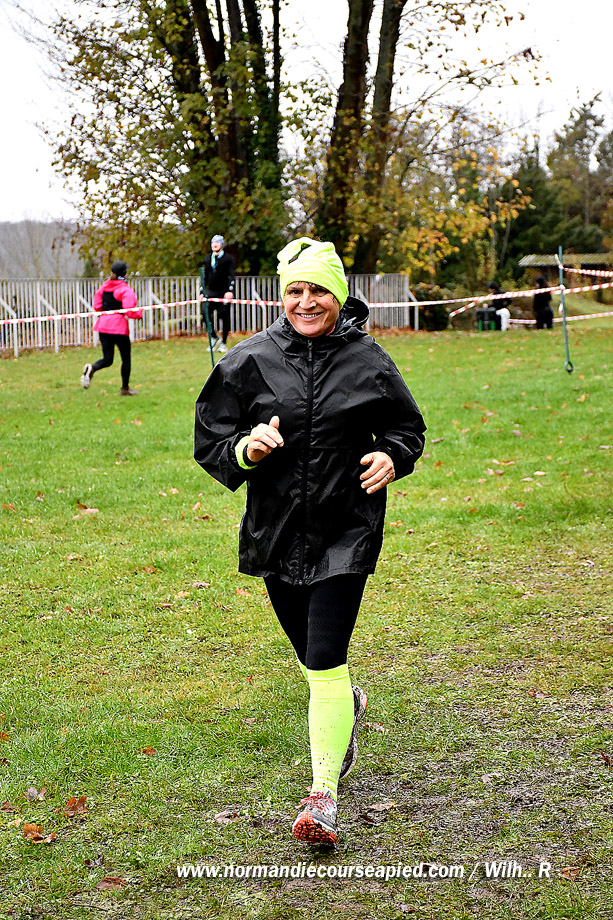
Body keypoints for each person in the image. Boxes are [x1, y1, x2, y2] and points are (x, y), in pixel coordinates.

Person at [194, 237, 426, 846]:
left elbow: (407, 427)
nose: (306, 301)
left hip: (346, 528)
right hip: (275, 531)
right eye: (295, 290)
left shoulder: (369, 360)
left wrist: (392, 455)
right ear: (282, 296)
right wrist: (246, 449)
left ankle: (322, 795)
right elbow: (211, 439)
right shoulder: (249, 361)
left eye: (318, 289)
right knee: (309, 654)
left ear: (338, 296)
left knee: (324, 657)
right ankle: (346, 705)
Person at [81, 261, 142, 395]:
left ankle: (92, 368)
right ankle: (125, 388)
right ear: (124, 274)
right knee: (126, 359)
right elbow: (129, 310)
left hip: (103, 325)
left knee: (108, 359)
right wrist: (139, 314)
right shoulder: (125, 289)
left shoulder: (103, 287)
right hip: (118, 327)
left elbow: (97, 306)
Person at [200, 235, 235, 354]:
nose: (215, 244)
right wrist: (202, 292)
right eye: (213, 242)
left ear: (222, 245)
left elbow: (231, 275)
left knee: (224, 316)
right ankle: (214, 336)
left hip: (223, 292)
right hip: (211, 292)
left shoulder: (228, 259)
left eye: (217, 242)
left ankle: (224, 342)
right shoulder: (208, 259)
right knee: (204, 313)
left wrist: (229, 291)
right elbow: (204, 277)